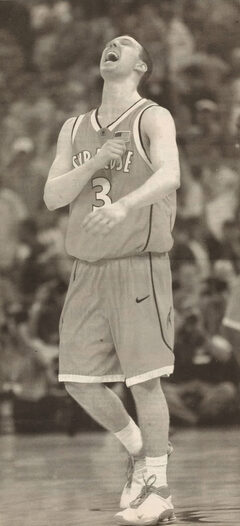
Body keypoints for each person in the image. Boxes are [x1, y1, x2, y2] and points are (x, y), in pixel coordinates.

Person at [44, 35, 180, 525]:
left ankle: (160, 488)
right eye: (108, 42)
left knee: (144, 381)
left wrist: (124, 204)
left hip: (137, 263)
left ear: (140, 65)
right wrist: (98, 162)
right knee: (78, 380)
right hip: (87, 268)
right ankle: (142, 452)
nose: (113, 44)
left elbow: (171, 175)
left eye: (126, 44)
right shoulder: (75, 127)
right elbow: (53, 197)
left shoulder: (152, 116)